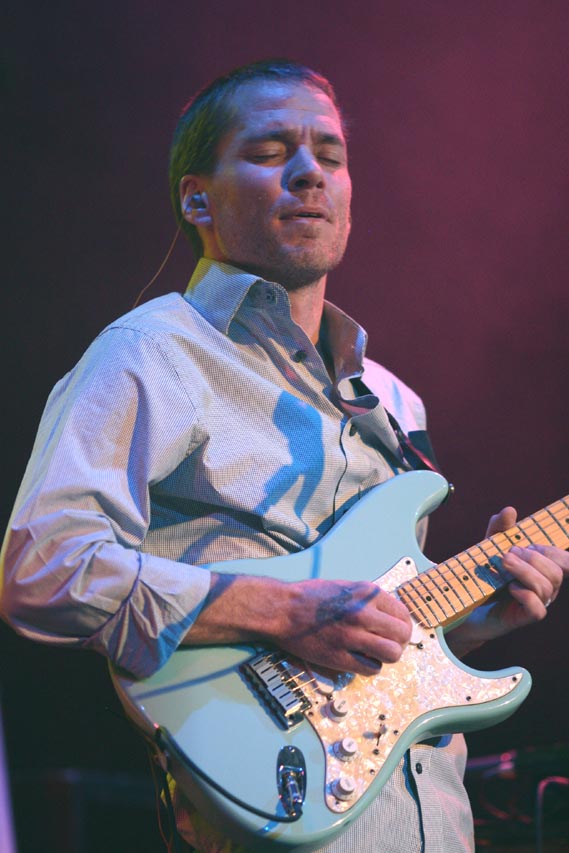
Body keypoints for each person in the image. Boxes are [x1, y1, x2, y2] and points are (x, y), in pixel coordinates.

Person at [1, 59, 567, 853]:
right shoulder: (152, 352)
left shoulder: (393, 402)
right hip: (267, 812)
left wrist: (466, 625)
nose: (310, 173)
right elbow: (43, 570)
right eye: (270, 152)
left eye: (330, 155)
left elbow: (364, 656)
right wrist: (286, 610)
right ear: (197, 198)